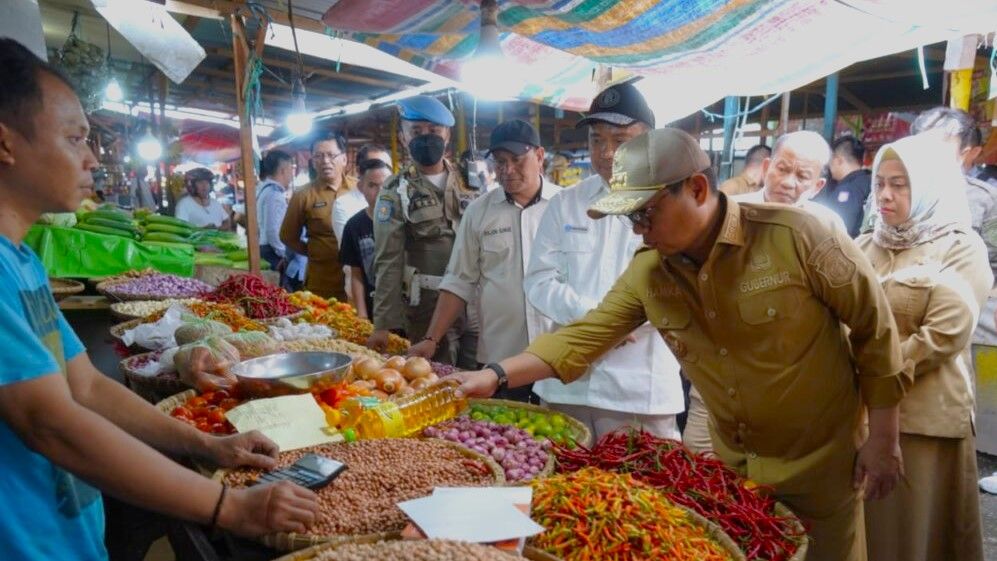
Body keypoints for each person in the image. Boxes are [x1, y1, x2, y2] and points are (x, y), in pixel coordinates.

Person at [450, 127, 911, 561]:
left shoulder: (799, 237)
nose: (636, 229)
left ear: (696, 189)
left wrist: (884, 438)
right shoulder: (651, 270)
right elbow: (584, 335)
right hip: (736, 468)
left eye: (645, 213)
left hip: (823, 464)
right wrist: (494, 375)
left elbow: (876, 330)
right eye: (630, 217)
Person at [0, 38, 319, 560]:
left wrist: (208, 445)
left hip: (60, 535)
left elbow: (86, 387)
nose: (92, 158)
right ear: (6, 144)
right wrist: (230, 507)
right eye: (75, 138)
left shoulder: (23, 262)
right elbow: (50, 422)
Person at [524, 83, 683, 439]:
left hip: (640, 390)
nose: (607, 152)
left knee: (642, 488)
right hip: (568, 383)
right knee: (565, 487)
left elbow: (677, 286)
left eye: (621, 140)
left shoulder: (671, 203)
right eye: (597, 140)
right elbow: (538, 280)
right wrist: (594, 319)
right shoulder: (565, 203)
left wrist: (617, 322)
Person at [857, 133, 989, 561]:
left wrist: (870, 369)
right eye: (880, 183)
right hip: (861, 417)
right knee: (868, 536)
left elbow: (944, 334)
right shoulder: (865, 246)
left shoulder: (959, 246)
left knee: (912, 537)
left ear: (929, 184)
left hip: (924, 420)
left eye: (900, 184)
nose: (885, 195)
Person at [408, 120, 560, 398]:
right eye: (501, 162)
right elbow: (458, 281)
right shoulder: (479, 212)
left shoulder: (566, 207)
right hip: (500, 359)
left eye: (517, 159)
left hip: (558, 354)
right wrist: (432, 339)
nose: (508, 170)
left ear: (539, 156)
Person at [367, 95, 481, 366]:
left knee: (479, 373)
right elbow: (388, 260)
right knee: (436, 376)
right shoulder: (395, 191)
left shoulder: (470, 182)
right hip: (427, 304)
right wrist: (383, 323)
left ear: (448, 134)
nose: (425, 137)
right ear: (404, 137)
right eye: (416, 131)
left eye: (433, 130)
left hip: (475, 301)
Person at [903, 107, 997, 352]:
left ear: (967, 153)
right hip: (900, 320)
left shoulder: (985, 199)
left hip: (970, 329)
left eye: (940, 144)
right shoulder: (887, 194)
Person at [280, 131, 356, 299]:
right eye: (319, 156)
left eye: (331, 155)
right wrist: (314, 251)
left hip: (358, 281)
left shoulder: (359, 189)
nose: (325, 161)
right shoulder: (303, 195)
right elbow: (287, 235)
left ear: (344, 159)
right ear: (313, 162)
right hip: (322, 281)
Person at [733, 130, 847, 230]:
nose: (788, 183)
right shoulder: (731, 211)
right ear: (766, 168)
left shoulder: (827, 226)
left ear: (817, 187)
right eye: (782, 169)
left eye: (802, 176)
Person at [339, 158, 392, 319]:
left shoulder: (406, 221)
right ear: (361, 188)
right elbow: (356, 274)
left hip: (407, 308)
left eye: (386, 185)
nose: (380, 191)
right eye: (372, 185)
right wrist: (362, 315)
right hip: (374, 308)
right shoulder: (354, 226)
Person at [813, 135, 871, 237]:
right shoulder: (868, 181)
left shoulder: (847, 190)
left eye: (830, 162)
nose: (829, 168)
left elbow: (836, 232)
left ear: (838, 160)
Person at [256, 150, 295, 278]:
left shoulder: (265, 190)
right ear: (283, 170)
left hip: (267, 248)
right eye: (291, 168)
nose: (292, 174)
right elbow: (272, 230)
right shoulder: (274, 194)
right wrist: (283, 253)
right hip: (272, 251)